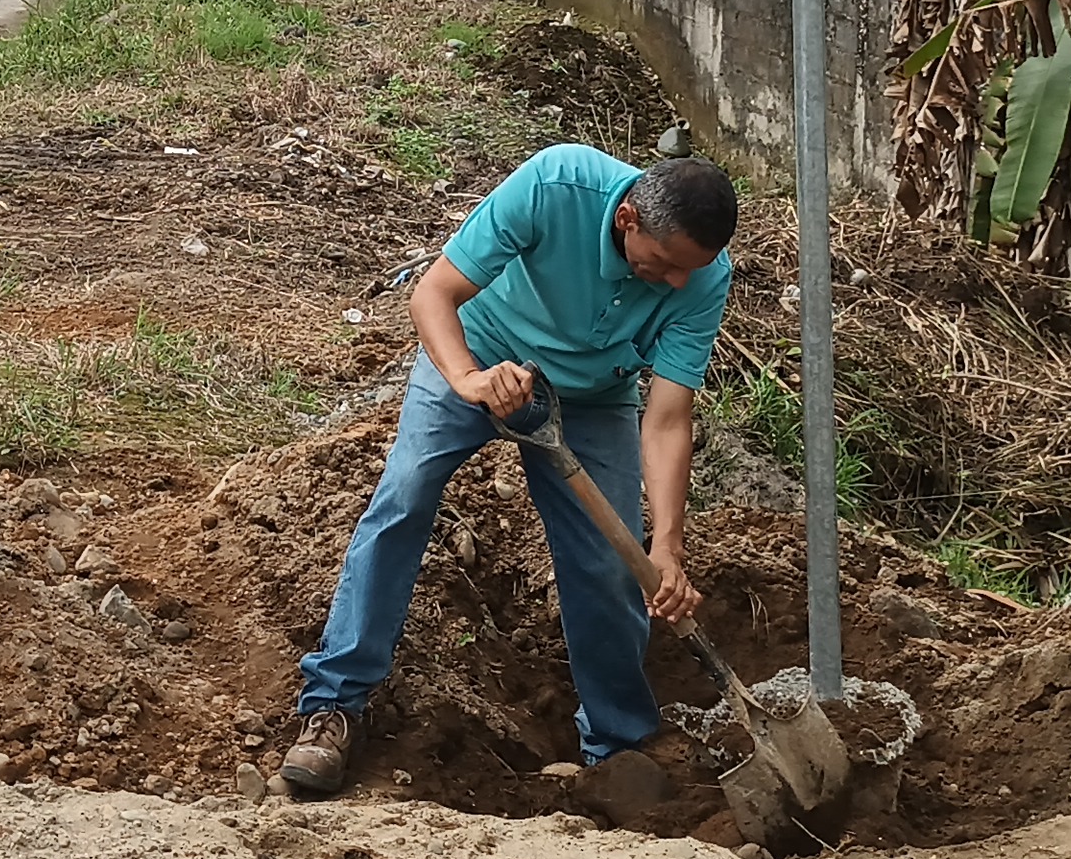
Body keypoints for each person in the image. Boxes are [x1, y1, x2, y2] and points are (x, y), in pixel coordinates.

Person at [280, 145, 738, 797]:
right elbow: (433, 294)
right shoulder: (555, 184)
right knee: (404, 497)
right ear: (627, 219)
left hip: (593, 397)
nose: (674, 284)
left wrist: (666, 544)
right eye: (663, 264)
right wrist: (468, 378)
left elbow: (666, 418)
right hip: (481, 354)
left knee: (612, 563)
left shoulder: (703, 276)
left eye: (686, 271)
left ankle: (616, 747)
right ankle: (333, 706)